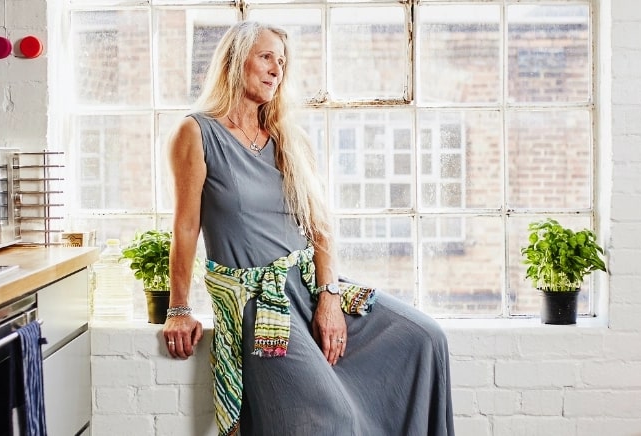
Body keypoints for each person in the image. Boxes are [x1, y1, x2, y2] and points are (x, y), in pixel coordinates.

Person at [161, 20, 455, 436]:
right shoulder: (196, 132)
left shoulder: (288, 138)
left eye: (282, 62)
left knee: (426, 338)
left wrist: (329, 297)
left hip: (311, 285)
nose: (276, 69)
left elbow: (320, 226)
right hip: (261, 304)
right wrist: (178, 309)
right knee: (336, 419)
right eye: (266, 57)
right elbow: (186, 227)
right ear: (235, 60)